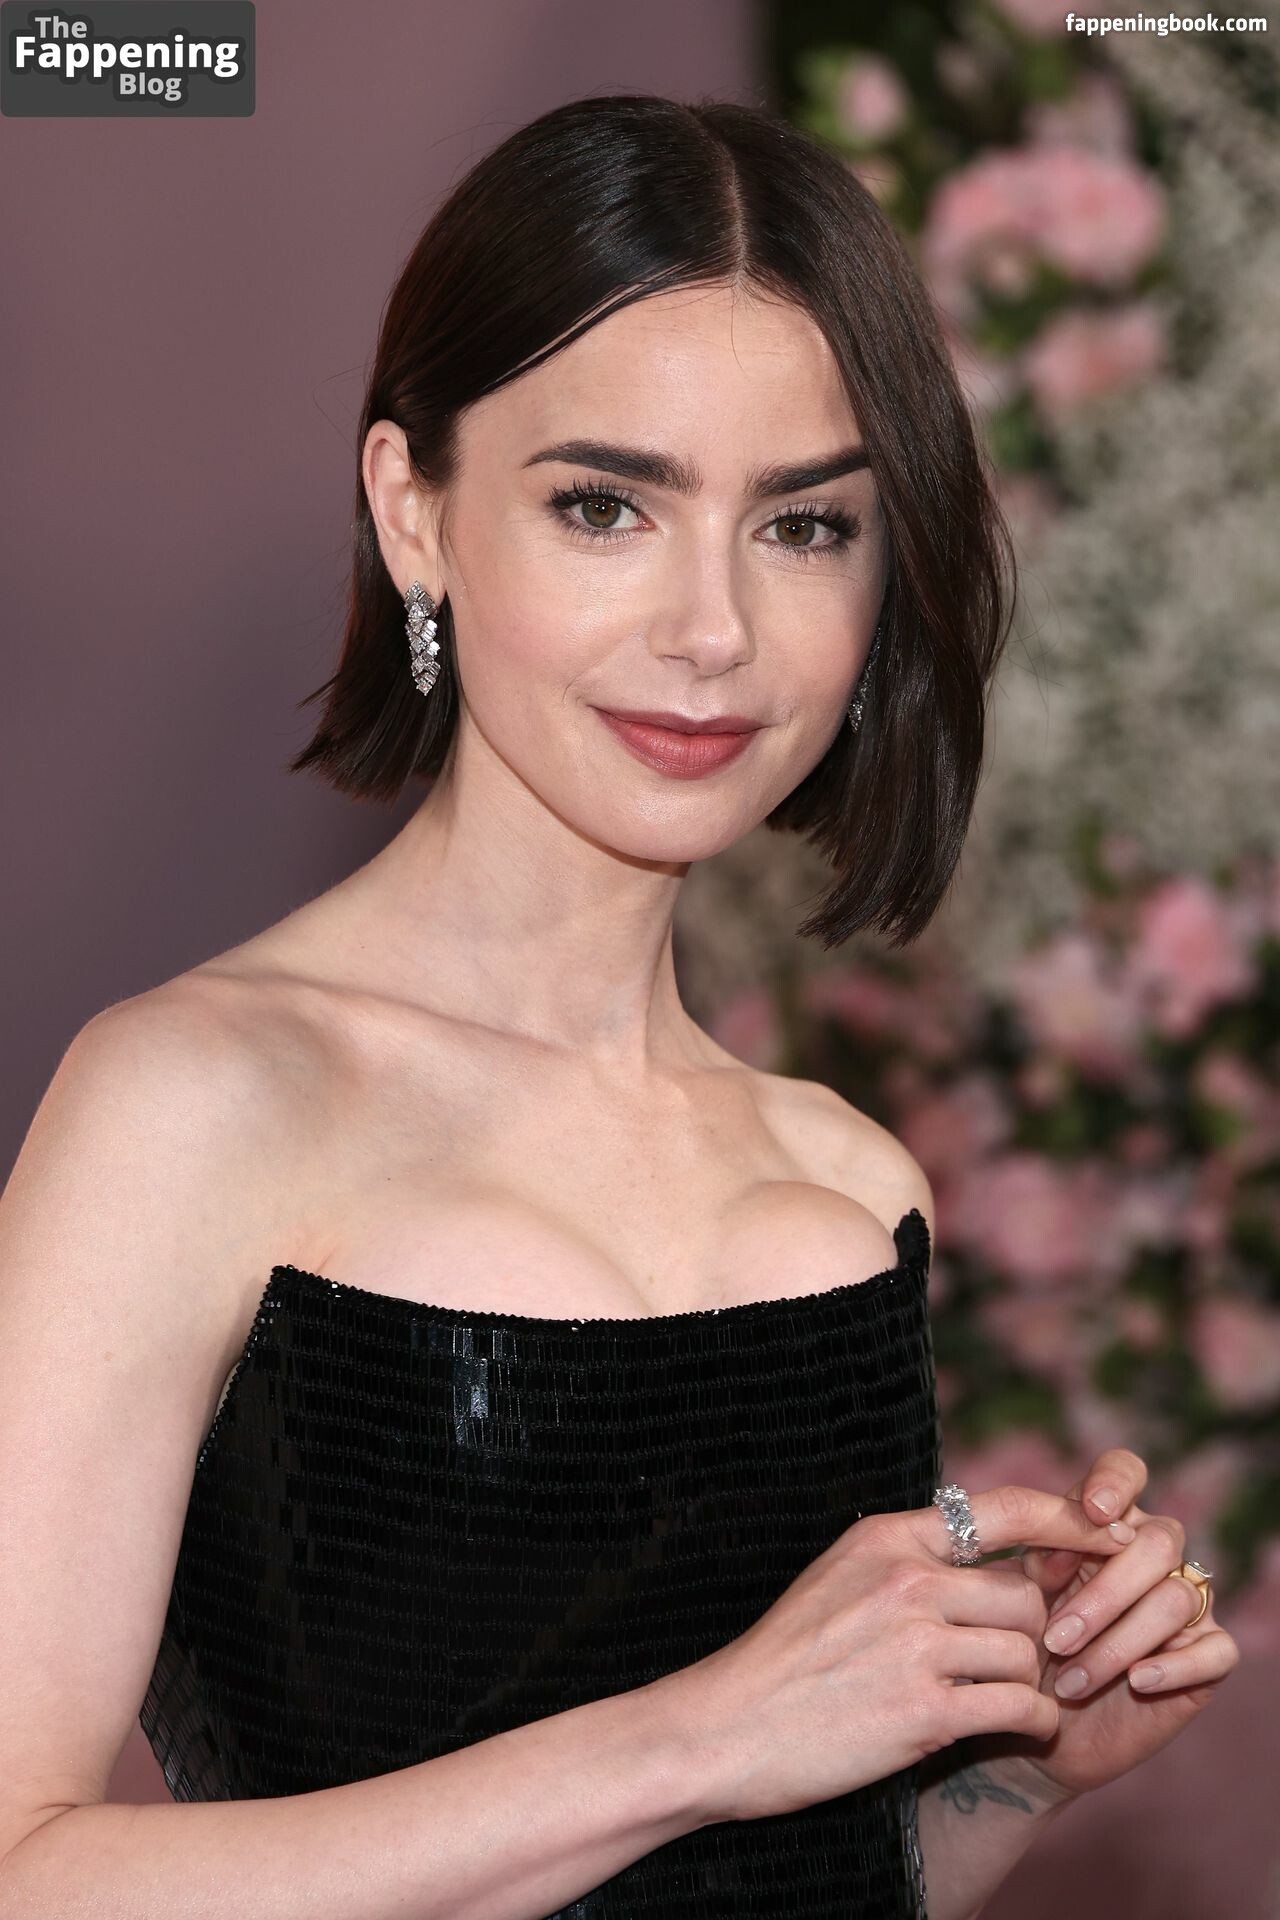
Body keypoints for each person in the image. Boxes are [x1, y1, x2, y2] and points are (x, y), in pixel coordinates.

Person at [0, 91, 1237, 1920]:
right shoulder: (190, 1101)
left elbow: (800, 1878)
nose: (713, 628)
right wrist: (707, 1732)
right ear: (413, 513)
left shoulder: (847, 1180)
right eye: (605, 506)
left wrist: (1009, 1776)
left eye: (804, 527)